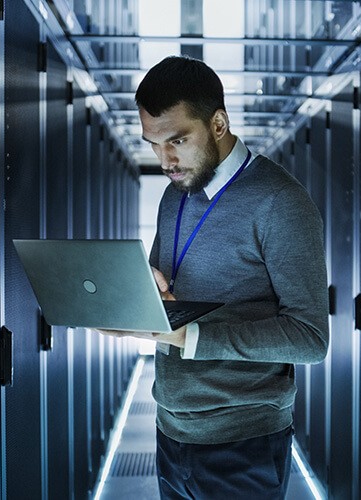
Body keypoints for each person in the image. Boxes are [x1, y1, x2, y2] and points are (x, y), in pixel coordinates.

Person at [100, 55, 329, 499]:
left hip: (244, 442)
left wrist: (192, 337)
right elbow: (169, 296)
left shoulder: (280, 201)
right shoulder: (176, 194)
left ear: (218, 124)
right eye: (153, 144)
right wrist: (136, 296)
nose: (165, 160)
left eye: (177, 140)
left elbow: (310, 338)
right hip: (171, 428)